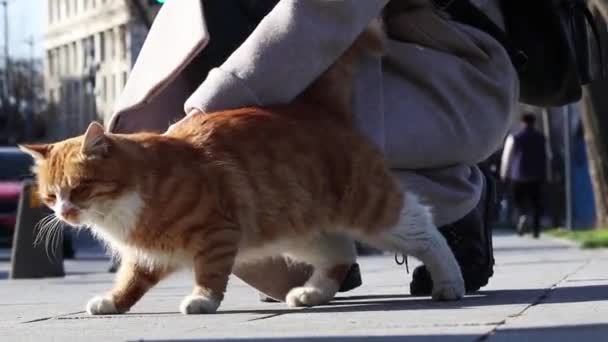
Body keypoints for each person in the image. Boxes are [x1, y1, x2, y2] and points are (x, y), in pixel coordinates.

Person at [108, 0, 518, 299]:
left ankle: (457, 200)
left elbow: (323, 11)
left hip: (448, 72)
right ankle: (324, 257)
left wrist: (205, 113)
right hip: (354, 68)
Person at [500, 113, 547, 238]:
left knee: (519, 201)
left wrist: (504, 173)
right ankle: (536, 230)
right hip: (536, 175)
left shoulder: (514, 137)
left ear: (522, 122)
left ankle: (522, 216)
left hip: (518, 175)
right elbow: (546, 156)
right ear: (534, 122)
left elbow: (507, 157)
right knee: (536, 203)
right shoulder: (541, 137)